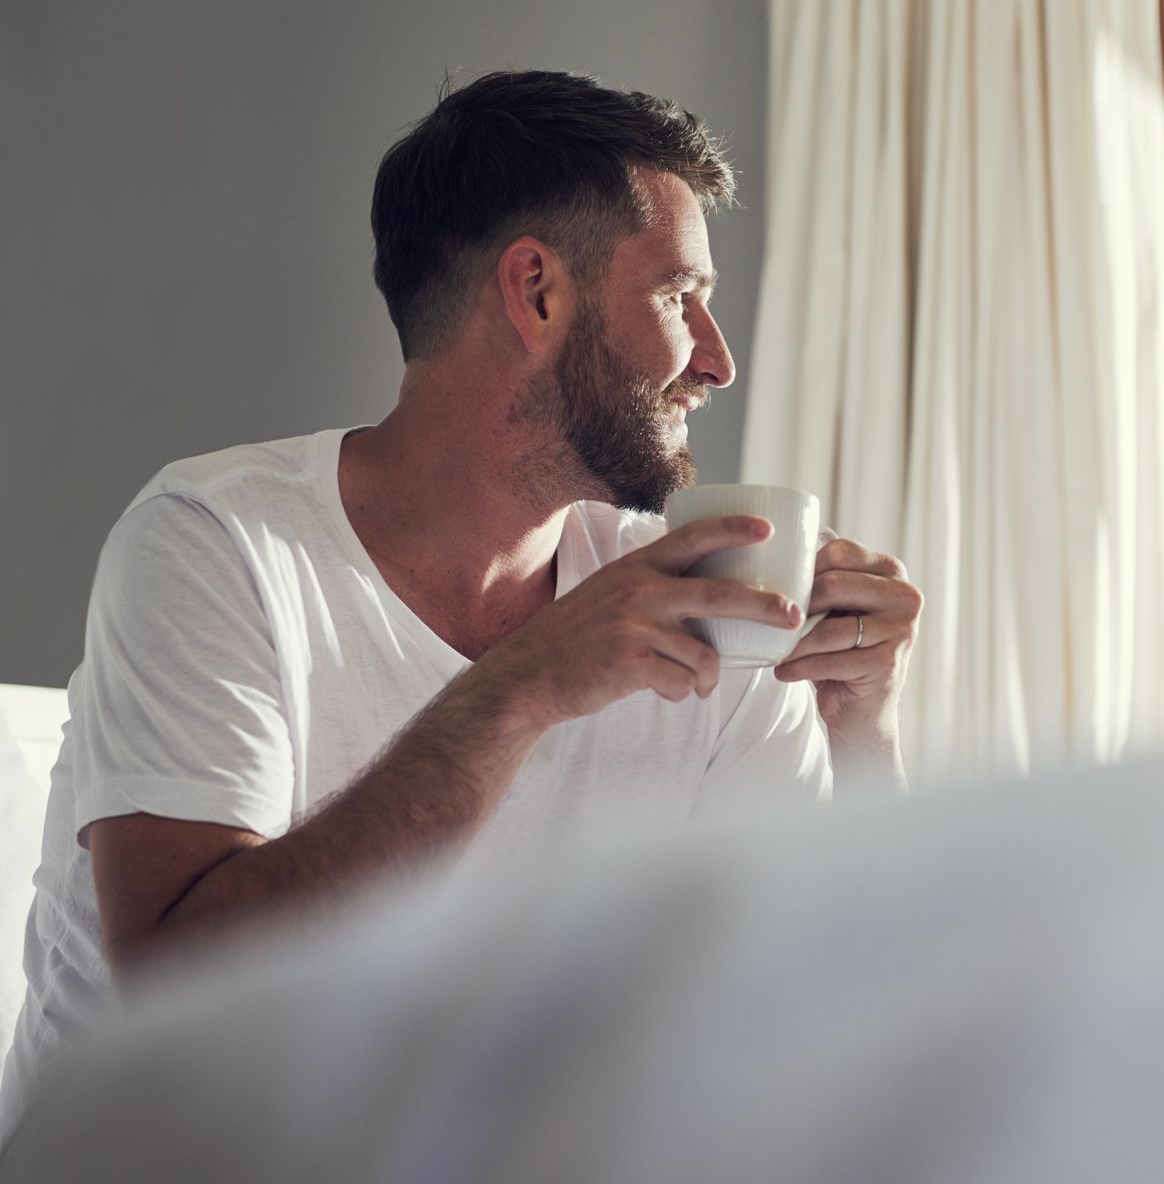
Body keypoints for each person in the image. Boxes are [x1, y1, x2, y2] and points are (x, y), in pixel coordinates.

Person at [0, 69, 921, 1143]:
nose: (715, 359)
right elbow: (186, 994)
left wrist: (865, 728)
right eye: (680, 297)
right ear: (535, 290)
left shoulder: (703, 599)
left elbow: (837, 1000)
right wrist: (523, 687)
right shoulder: (217, 543)